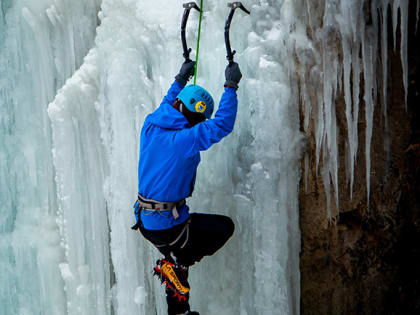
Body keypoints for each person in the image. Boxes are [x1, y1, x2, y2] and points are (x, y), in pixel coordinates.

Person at [131, 59, 242, 315]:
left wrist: (181, 78)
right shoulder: (183, 140)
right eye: (197, 119)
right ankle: (176, 262)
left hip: (147, 222)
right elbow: (222, 124)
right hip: (168, 226)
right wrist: (230, 85)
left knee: (179, 260)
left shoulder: (151, 125)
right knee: (223, 228)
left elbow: (168, 102)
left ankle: (179, 311)